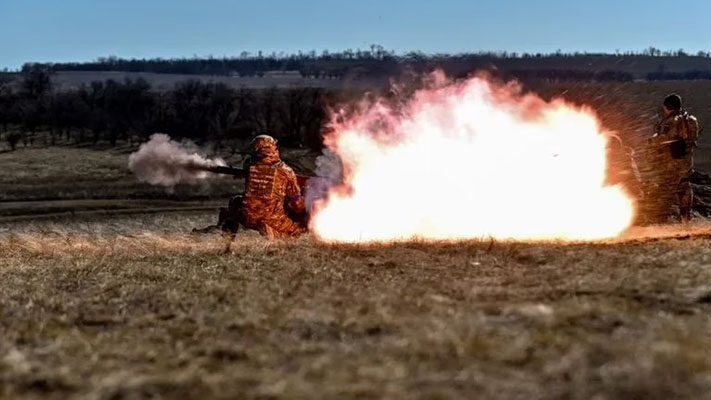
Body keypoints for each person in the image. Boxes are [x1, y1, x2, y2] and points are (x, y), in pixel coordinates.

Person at [240, 135, 307, 239]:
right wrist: (306, 209)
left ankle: (227, 235)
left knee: (235, 202)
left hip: (248, 217)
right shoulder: (285, 171)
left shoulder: (249, 168)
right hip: (271, 218)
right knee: (298, 230)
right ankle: (272, 231)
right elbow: (296, 204)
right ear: (273, 149)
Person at [647, 93, 700, 225]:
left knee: (665, 189)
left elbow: (665, 139)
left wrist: (652, 140)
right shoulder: (691, 119)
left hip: (671, 162)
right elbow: (692, 139)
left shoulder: (671, 121)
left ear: (668, 107)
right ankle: (685, 220)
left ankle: (660, 220)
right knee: (684, 187)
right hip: (686, 160)